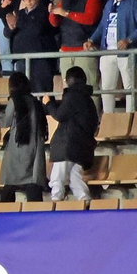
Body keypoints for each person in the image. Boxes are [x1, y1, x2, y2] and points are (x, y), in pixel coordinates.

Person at [85, 0, 137, 114]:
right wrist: (91, 39)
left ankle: (130, 119)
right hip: (107, 50)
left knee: (129, 88)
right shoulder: (109, 2)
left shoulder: (135, 3)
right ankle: (108, 119)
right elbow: (102, 25)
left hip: (126, 53)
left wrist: (129, 39)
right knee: (106, 89)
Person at [45, 67, 99, 201]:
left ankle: (55, 204)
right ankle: (85, 203)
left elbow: (59, 115)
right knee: (76, 178)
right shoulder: (89, 100)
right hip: (83, 147)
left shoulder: (72, 96)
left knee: (57, 178)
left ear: (67, 81)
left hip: (67, 145)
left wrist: (48, 103)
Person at [0, 73, 48, 202]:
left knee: (11, 180)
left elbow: (6, 122)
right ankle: (36, 212)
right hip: (35, 144)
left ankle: (5, 210)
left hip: (19, 144)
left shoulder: (14, 101)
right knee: (32, 181)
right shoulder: (35, 102)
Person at [50, 0, 103, 91]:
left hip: (85, 49)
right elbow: (54, 22)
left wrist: (67, 13)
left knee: (89, 87)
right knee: (67, 89)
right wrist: (52, 12)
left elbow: (90, 19)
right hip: (66, 49)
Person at [6, 0, 59, 93]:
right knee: (23, 93)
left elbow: (38, 29)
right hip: (21, 58)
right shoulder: (20, 14)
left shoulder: (44, 12)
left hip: (41, 60)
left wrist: (17, 24)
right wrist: (11, 28)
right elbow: (9, 34)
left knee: (42, 93)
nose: (28, 1)